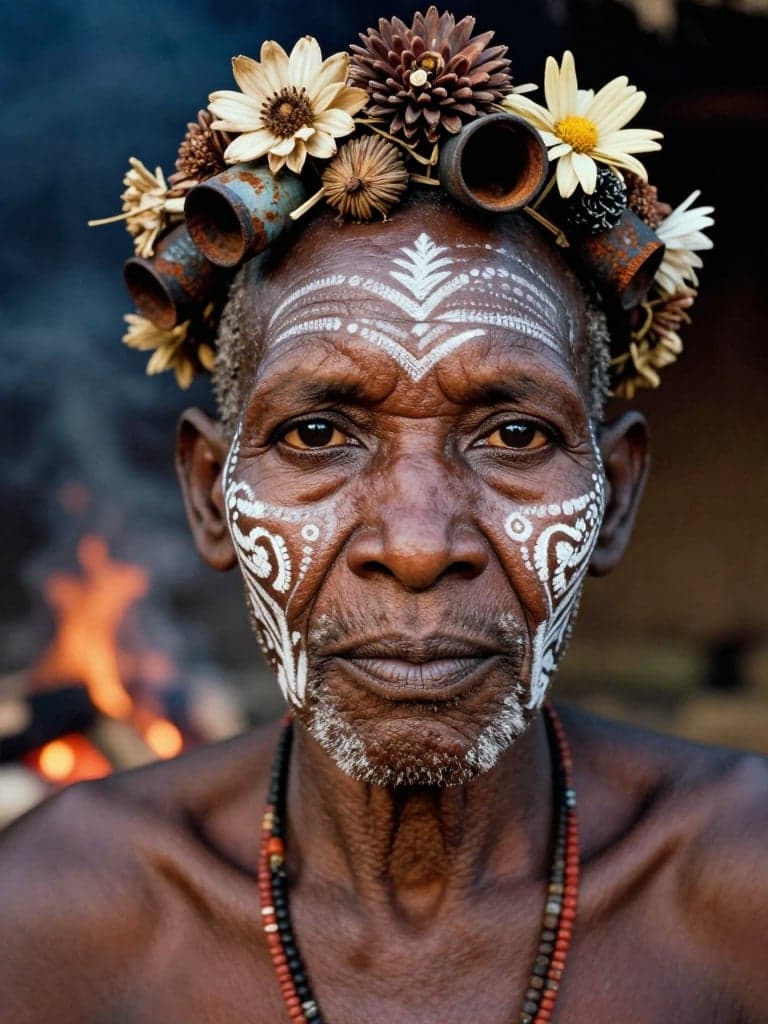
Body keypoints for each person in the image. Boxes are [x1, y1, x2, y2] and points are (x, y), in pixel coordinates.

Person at [2, 11, 765, 1023]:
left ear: (615, 497)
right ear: (209, 494)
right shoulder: (62, 917)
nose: (414, 545)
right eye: (319, 434)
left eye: (515, 436)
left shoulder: (741, 891)